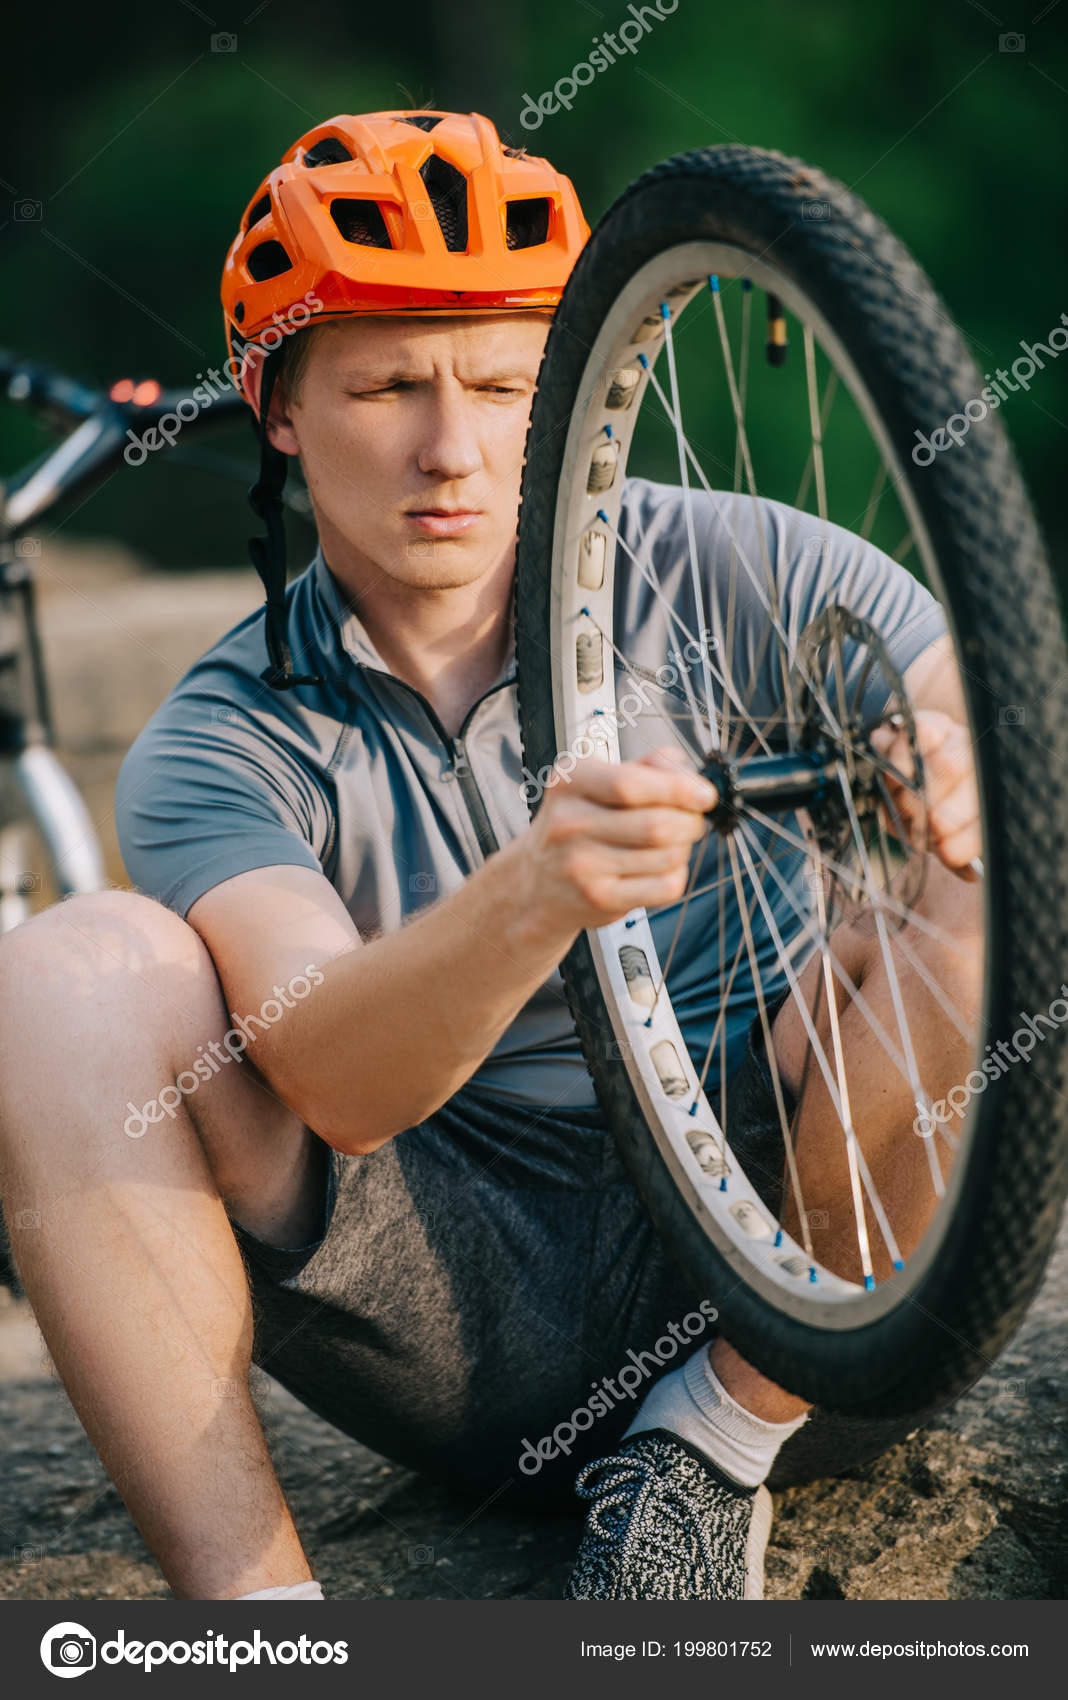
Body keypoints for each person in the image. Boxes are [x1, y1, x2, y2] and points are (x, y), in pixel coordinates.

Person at [0, 109, 981, 1603]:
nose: (451, 447)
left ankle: (707, 1450)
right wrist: (538, 890)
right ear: (277, 412)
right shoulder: (224, 735)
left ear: (577, 392)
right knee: (60, 973)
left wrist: (962, 769)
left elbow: (963, 703)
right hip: (459, 1319)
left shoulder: (741, 559)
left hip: (810, 1293)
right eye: (387, 384)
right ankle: (261, 1620)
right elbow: (334, 1080)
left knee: (999, 892)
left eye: (505, 384)